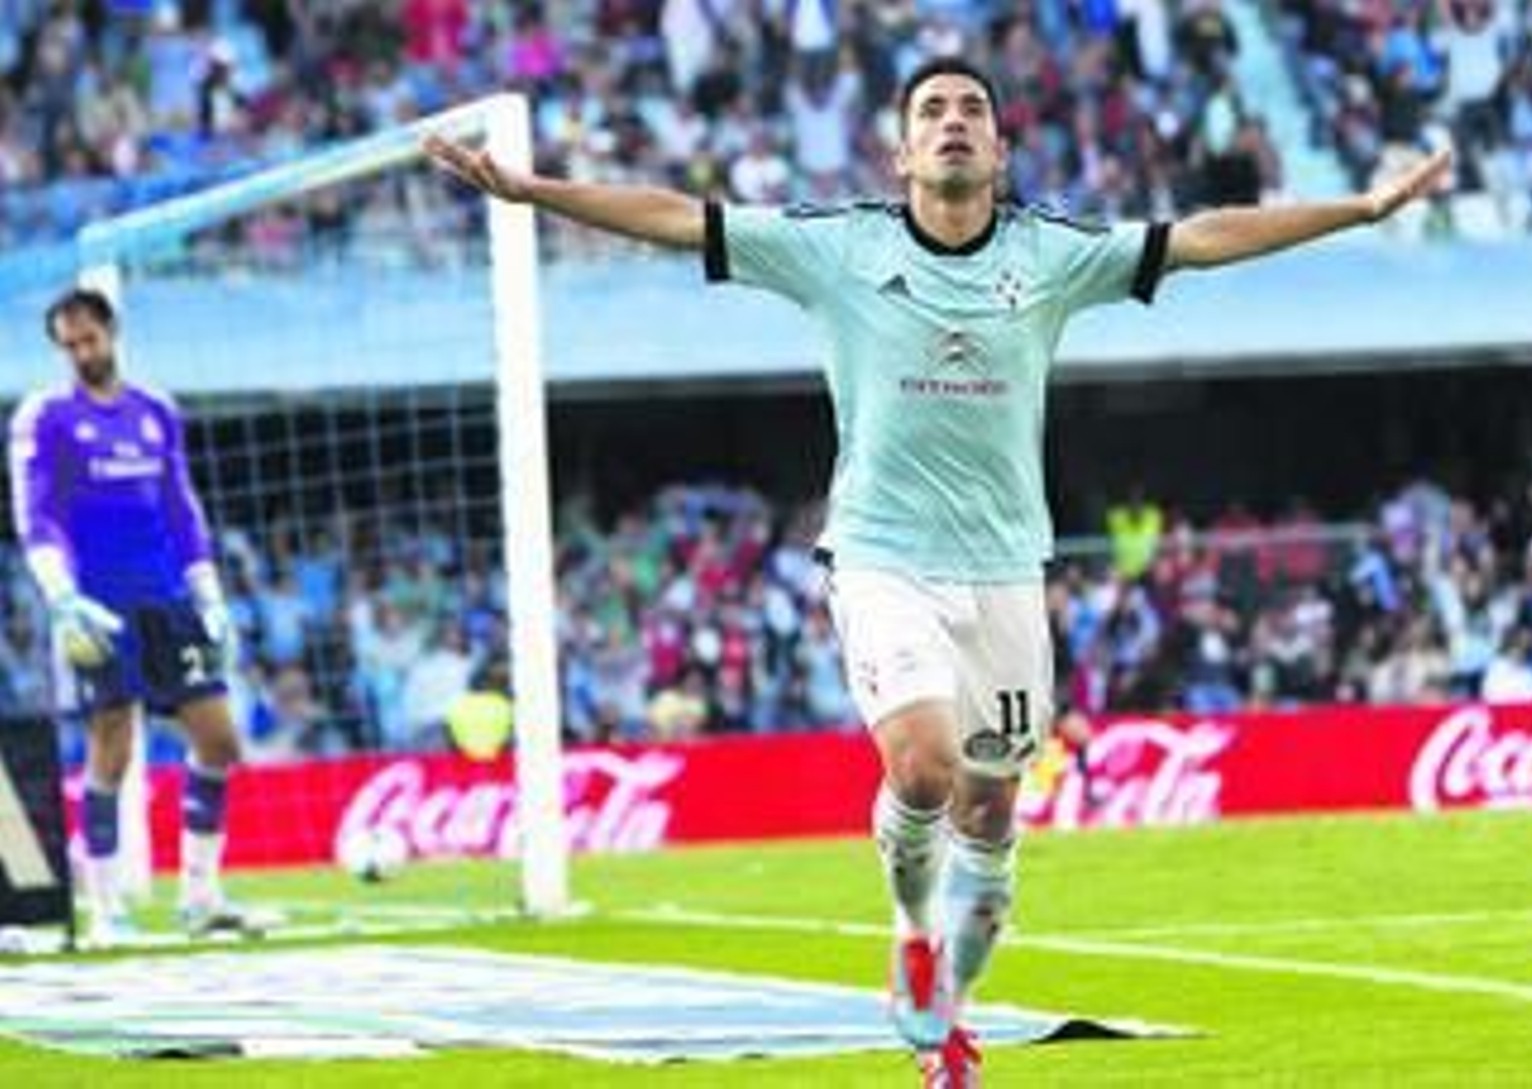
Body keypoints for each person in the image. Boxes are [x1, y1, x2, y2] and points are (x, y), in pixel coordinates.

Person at [426, 56, 1449, 1086]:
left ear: (1000, 152)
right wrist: (532, 190)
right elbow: (677, 217)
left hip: (1006, 567)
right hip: (881, 555)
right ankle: (912, 932)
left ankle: (947, 1027)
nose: (953, 122)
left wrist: (1361, 208)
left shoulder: (1051, 253)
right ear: (901, 150)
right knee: (920, 767)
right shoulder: (836, 247)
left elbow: (1202, 237)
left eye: (972, 110)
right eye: (932, 111)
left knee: (993, 816)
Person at [8, 287, 275, 947]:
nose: (79, 353)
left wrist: (207, 588)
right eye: (67, 345)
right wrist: (62, 597)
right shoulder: (46, 416)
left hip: (167, 599)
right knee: (112, 747)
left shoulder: (155, 411)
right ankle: (104, 906)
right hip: (98, 604)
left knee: (219, 741)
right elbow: (36, 515)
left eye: (88, 339)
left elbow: (181, 507)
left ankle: (202, 895)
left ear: (110, 331)